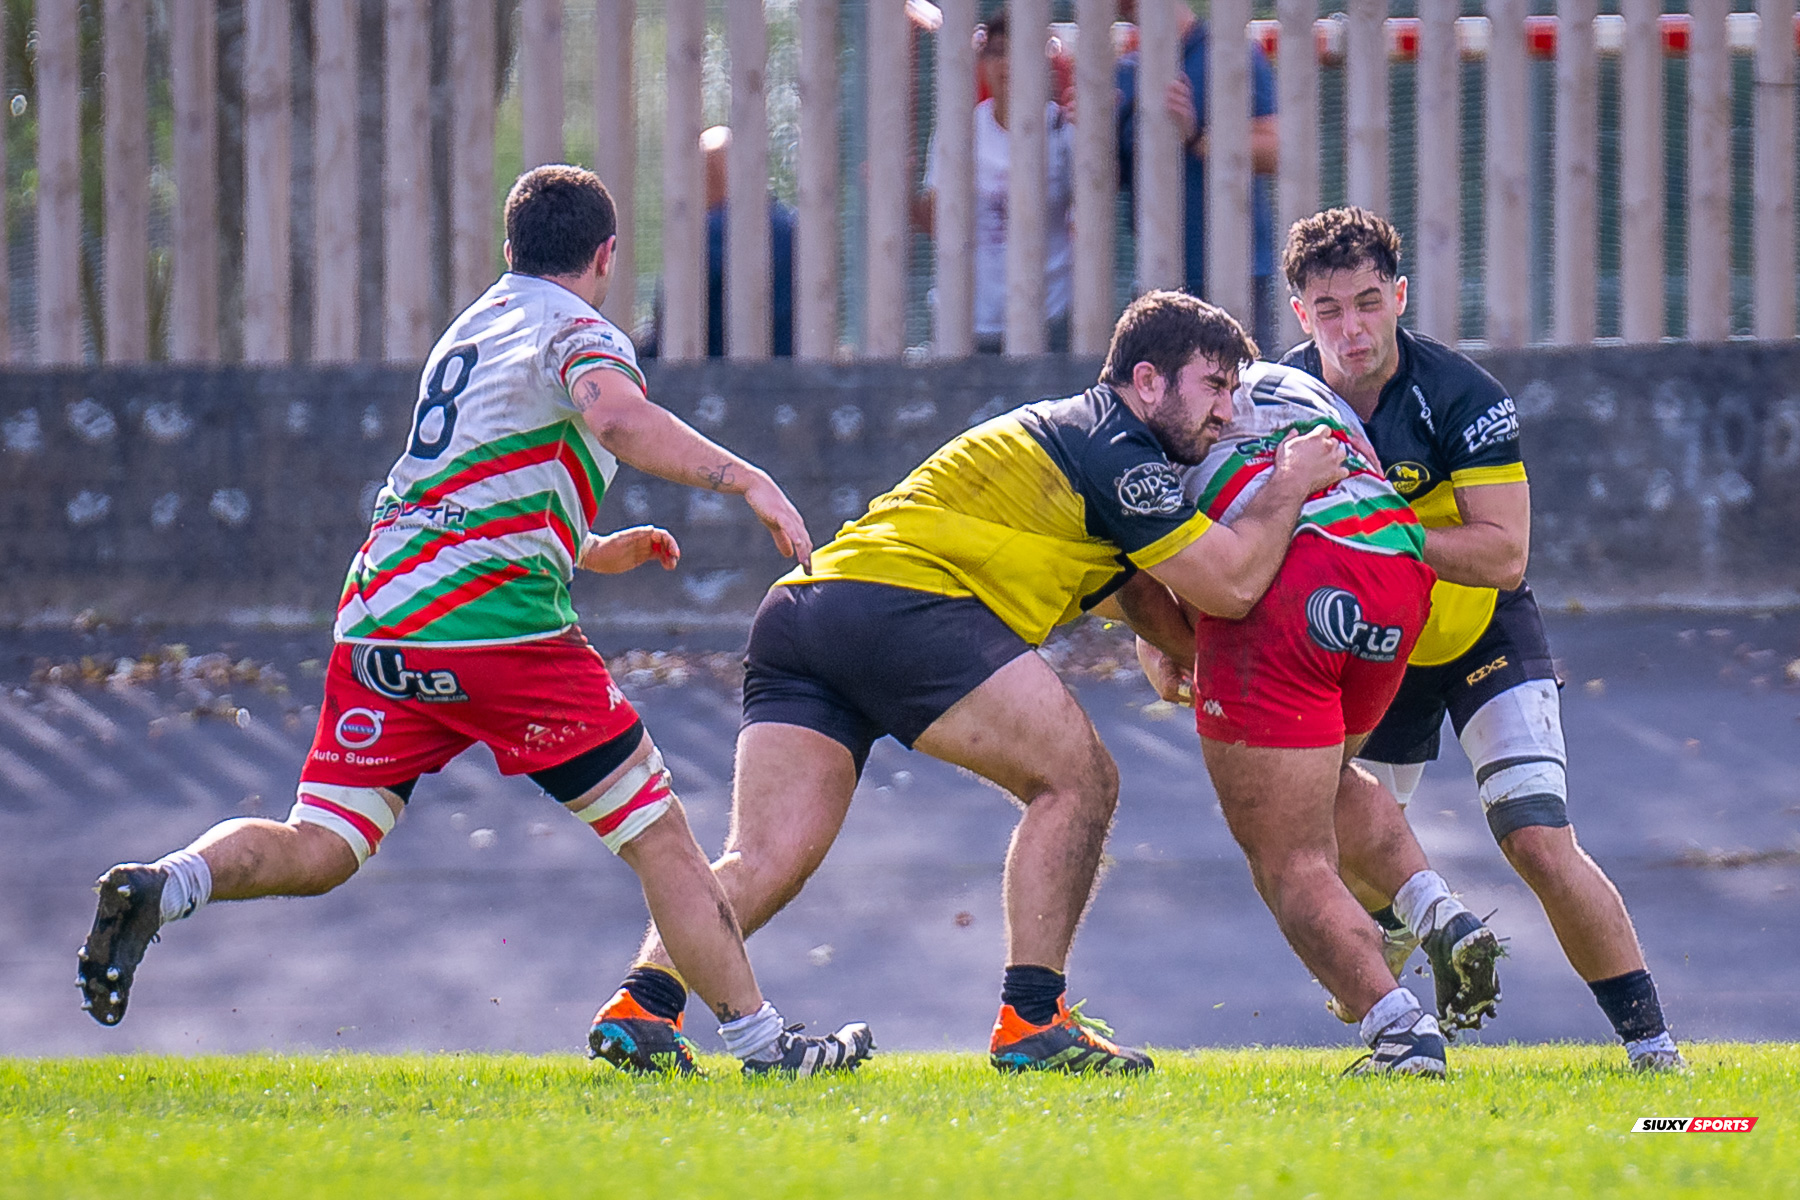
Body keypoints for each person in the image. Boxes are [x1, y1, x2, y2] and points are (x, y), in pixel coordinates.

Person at [76, 164, 871, 1078]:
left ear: (510, 250)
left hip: (380, 621)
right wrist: (749, 481)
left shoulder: (473, 327)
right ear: (606, 255)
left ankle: (166, 884)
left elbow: (465, 493)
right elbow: (616, 418)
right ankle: (765, 1050)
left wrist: (589, 547)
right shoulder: (579, 329)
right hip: (501, 638)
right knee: (658, 835)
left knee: (323, 841)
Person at [588, 289, 1349, 1076]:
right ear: (1149, 380)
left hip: (805, 610)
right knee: (1079, 782)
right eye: (1214, 386)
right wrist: (1287, 485)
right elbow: (1226, 586)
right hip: (901, 610)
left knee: (764, 856)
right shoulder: (1120, 447)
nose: (1227, 412)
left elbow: (1132, 587)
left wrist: (1177, 649)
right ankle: (1033, 1019)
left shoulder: (1086, 440)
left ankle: (644, 1005)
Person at [1277, 206, 1685, 1072]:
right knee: (1337, 860)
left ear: (1400, 296)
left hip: (1477, 632)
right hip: (1367, 648)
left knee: (1538, 837)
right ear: (1298, 313)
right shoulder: (1273, 403)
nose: (1351, 329)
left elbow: (1504, 553)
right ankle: (1407, 1025)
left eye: (1367, 302)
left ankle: (1653, 1049)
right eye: (1328, 309)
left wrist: (1377, 532)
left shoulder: (1463, 395)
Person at [1121, 359, 1503, 1076]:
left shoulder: (1145, 423)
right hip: (1397, 572)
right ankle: (1436, 910)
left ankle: (1400, 1034)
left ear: (1153, 375)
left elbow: (1141, 578)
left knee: (1286, 855)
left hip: (1298, 586)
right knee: (1321, 778)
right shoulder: (1294, 386)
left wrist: (1182, 652)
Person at [1115, 0, 1280, 352]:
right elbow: (1116, 181)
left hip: (1236, 276)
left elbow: (1274, 149)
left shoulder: (1231, 54)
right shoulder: (1127, 71)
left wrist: (1196, 136)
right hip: (1153, 279)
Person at [918, 11, 1076, 353]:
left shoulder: (1064, 130)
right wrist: (899, 198)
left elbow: (1094, 210)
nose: (1008, 64)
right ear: (983, 63)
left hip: (1050, 316)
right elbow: (935, 222)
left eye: (1022, 52)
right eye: (999, 51)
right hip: (971, 320)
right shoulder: (960, 130)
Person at [640, 126, 797, 359]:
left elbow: (670, 317)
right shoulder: (794, 229)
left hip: (710, 382)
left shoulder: (705, 235)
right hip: (795, 379)